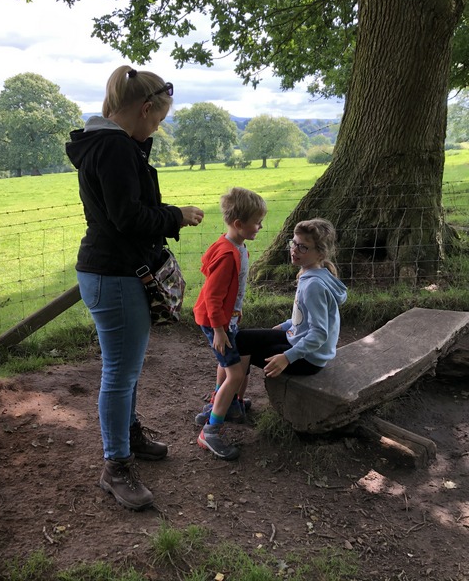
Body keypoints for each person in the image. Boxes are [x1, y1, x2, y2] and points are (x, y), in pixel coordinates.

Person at [66, 65, 204, 511]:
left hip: (109, 272)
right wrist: (176, 215)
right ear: (145, 109)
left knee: (124, 370)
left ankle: (127, 438)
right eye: (158, 119)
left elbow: (125, 204)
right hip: (116, 275)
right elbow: (129, 218)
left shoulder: (106, 144)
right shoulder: (115, 148)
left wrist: (140, 149)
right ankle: (116, 465)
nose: (158, 129)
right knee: (119, 373)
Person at [193, 187, 267, 460]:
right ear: (238, 223)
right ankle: (211, 430)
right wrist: (219, 329)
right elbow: (212, 296)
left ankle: (225, 404)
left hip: (226, 320)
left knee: (227, 365)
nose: (260, 226)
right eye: (257, 222)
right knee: (235, 373)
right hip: (217, 323)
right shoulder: (227, 255)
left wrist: (234, 313)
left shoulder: (236, 246)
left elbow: (229, 289)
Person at [236, 218, 347, 378]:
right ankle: (233, 391)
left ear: (320, 254)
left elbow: (319, 333)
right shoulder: (311, 274)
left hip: (309, 360)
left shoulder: (314, 285)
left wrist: (287, 357)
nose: (294, 250)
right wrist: (284, 326)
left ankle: (232, 392)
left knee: (246, 349)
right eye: (294, 243)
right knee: (242, 338)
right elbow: (304, 318)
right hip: (297, 338)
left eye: (303, 247)